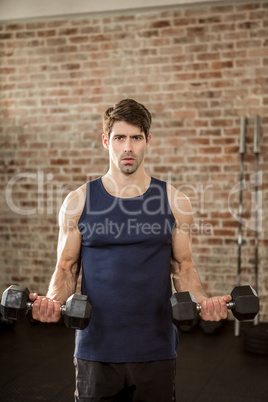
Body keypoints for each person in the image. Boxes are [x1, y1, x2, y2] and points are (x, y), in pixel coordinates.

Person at [30, 99, 231, 402]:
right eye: (119, 137)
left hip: (156, 350)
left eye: (136, 137)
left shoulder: (175, 202)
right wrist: (52, 302)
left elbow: (183, 268)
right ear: (105, 141)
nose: (128, 147)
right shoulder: (78, 201)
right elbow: (66, 268)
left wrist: (203, 302)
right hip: (96, 350)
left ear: (148, 141)